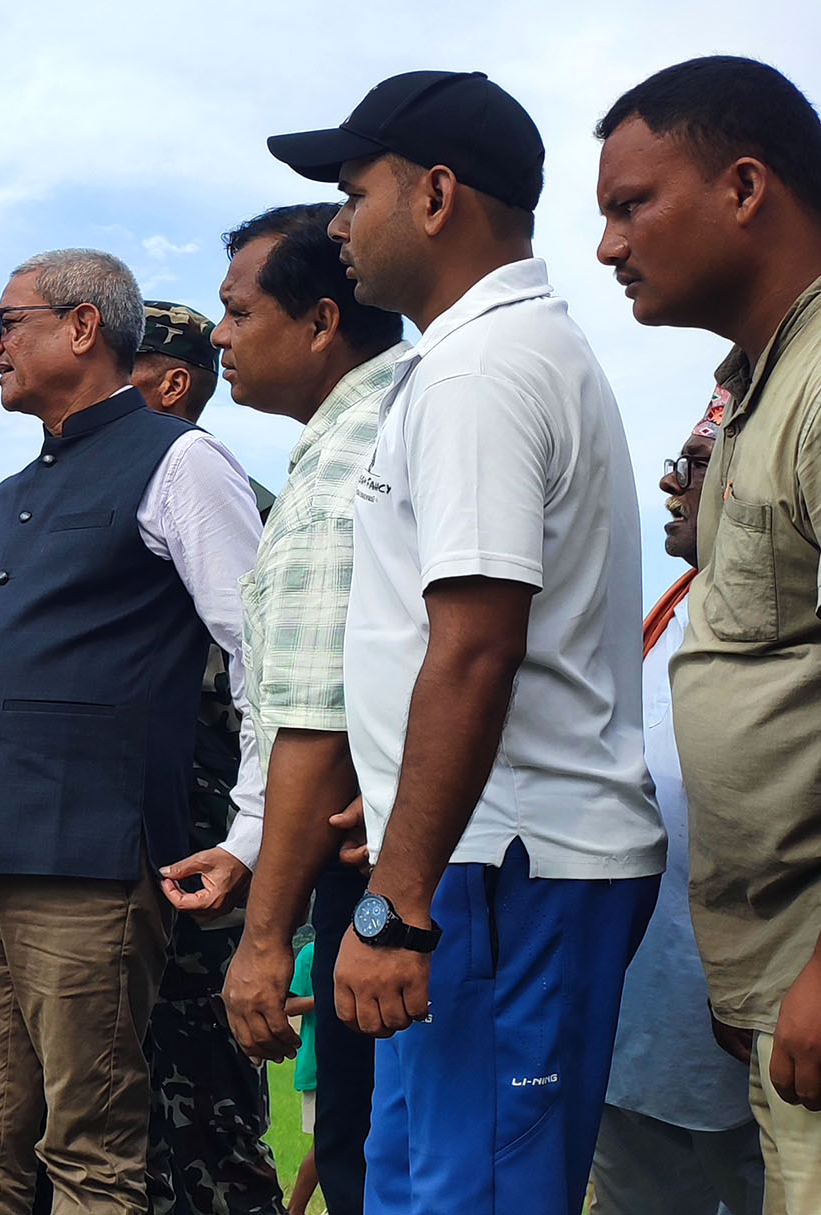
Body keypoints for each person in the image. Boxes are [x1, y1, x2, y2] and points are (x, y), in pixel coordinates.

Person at [268, 70, 663, 1212]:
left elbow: (477, 650)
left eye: (353, 192)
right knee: (418, 1192)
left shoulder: (484, 369)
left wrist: (396, 903)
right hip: (476, 870)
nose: (338, 225)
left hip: (499, 876)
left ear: (436, 194)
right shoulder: (470, 360)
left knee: (469, 1197)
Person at [0, 247, 262, 1215]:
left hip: (91, 861)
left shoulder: (181, 458)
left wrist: (249, 830)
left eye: (9, 320)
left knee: (89, 1150)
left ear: (82, 326)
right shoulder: (9, 493)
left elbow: (262, 652)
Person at [596, 55, 821, 1205]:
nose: (609, 246)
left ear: (745, 187)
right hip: (762, 978)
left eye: (632, 205)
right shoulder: (757, 386)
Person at [176, 202, 410, 1215]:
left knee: (375, 1162)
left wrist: (266, 941)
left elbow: (313, 709)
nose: (220, 336)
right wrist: (251, 841)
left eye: (236, 311)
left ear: (320, 321)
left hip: (378, 871)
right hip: (348, 849)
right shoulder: (337, 443)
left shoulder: (355, 452)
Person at [121, 297, 284, 1215]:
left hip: (207, 842)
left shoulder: (230, 499)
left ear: (171, 383)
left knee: (211, 1113)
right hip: (129, 845)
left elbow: (267, 667)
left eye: (124, 370)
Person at [589, 402, 764, 1215]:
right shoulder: (665, 616)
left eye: (694, 461)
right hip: (640, 1031)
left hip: (766, 1028)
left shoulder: (790, 616)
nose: (669, 481)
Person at [288, 939, 321, 1215]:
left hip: (360, 1067)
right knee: (323, 1145)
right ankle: (294, 1210)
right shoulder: (311, 952)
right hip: (319, 1065)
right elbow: (287, 1003)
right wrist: (324, 998)